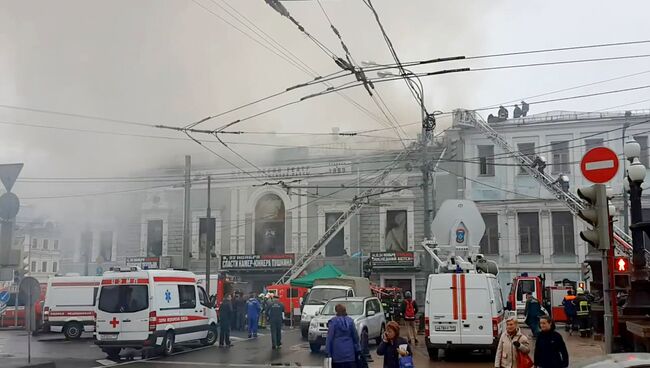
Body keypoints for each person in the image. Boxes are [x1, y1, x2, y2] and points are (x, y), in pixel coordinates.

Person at [326, 304, 361, 368]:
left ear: (336, 311)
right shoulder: (350, 321)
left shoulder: (333, 322)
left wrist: (328, 353)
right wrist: (358, 349)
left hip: (337, 355)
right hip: (350, 355)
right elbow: (355, 337)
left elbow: (329, 339)